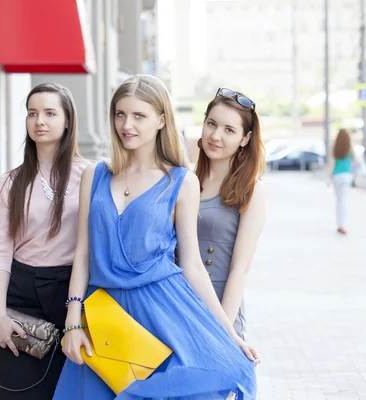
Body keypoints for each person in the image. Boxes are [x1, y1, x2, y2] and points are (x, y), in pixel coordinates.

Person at [54, 75, 258, 400]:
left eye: (139, 116)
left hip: (161, 311)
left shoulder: (181, 181)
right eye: (120, 114)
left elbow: (191, 265)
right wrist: (73, 320)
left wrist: (229, 333)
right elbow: (82, 253)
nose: (127, 125)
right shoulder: (94, 175)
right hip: (103, 314)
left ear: (161, 120)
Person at [0, 83, 91, 399]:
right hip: (21, 296)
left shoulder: (91, 176)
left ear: (68, 120)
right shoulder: (11, 182)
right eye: (32, 113)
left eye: (49, 113)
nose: (39, 121)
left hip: (72, 295)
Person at [195, 88, 266, 341]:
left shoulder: (250, 190)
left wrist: (222, 330)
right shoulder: (186, 180)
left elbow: (240, 269)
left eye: (229, 130)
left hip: (221, 311)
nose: (215, 136)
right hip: (177, 307)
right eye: (211, 124)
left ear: (245, 139)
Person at [327, 128, 357, 235]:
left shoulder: (334, 148)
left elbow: (331, 164)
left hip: (336, 176)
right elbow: (356, 161)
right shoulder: (350, 147)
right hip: (347, 175)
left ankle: (339, 224)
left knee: (339, 200)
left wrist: (328, 178)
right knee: (343, 201)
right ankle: (342, 225)